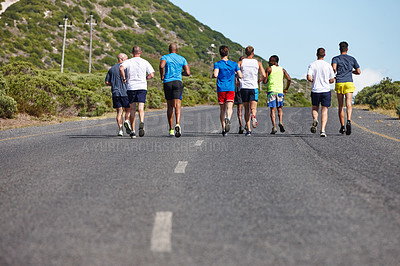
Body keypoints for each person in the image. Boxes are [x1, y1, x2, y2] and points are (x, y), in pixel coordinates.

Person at [119, 46, 155, 138]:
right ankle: (142, 122)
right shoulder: (145, 62)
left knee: (132, 109)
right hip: (142, 86)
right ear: (141, 52)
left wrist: (124, 78)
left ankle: (133, 131)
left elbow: (121, 68)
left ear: (132, 53)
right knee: (141, 107)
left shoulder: (128, 61)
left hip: (131, 87)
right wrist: (145, 78)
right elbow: (152, 75)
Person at [159, 43, 191, 137]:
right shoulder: (182, 58)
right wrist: (182, 74)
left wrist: (162, 75)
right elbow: (188, 73)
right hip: (177, 82)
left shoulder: (165, 57)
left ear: (169, 50)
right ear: (176, 50)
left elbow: (161, 66)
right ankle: (177, 123)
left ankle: (171, 129)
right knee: (178, 105)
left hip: (167, 82)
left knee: (169, 106)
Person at [331, 41, 361, 135]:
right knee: (349, 104)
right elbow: (359, 71)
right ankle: (349, 120)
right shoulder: (352, 59)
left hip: (339, 82)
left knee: (340, 106)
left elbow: (334, 69)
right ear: (347, 49)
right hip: (349, 82)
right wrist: (352, 72)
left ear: (339, 49)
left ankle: (342, 126)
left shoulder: (335, 58)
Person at [213, 45, 242, 136]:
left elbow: (215, 75)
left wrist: (213, 74)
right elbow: (240, 75)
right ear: (228, 53)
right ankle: (228, 118)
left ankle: (223, 128)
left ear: (220, 53)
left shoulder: (217, 64)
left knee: (222, 109)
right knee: (230, 107)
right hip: (230, 88)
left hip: (221, 88)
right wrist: (235, 74)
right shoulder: (234, 64)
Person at [307, 48, 335, 137]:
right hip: (326, 90)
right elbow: (332, 79)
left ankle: (315, 119)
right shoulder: (328, 65)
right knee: (324, 110)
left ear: (316, 54)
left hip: (315, 90)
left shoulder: (312, 65)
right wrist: (328, 81)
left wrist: (313, 80)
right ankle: (322, 130)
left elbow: (309, 77)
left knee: (315, 108)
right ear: (324, 55)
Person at [238, 46, 266, 136]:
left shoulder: (241, 62)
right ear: (253, 53)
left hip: (244, 87)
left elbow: (236, 72)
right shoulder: (257, 63)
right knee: (253, 108)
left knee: (246, 109)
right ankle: (253, 115)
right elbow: (264, 75)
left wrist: (238, 80)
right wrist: (259, 80)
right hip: (254, 87)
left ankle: (249, 130)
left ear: (245, 53)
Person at [264, 55, 291, 134]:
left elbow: (265, 81)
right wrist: (286, 88)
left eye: (270, 60)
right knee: (280, 108)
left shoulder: (269, 69)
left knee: (272, 109)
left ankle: (274, 126)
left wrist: (265, 78)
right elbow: (289, 79)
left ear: (273, 61)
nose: (268, 62)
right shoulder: (282, 70)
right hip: (280, 91)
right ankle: (281, 121)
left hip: (272, 91)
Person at [105, 53, 130, 136]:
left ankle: (120, 129)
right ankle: (127, 121)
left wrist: (114, 84)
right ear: (122, 59)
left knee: (119, 112)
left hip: (115, 92)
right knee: (128, 109)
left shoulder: (111, 69)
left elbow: (107, 82)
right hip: (125, 92)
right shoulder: (126, 68)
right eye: (127, 58)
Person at [235, 56, 245, 134]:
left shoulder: (237, 71)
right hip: (247, 89)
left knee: (239, 109)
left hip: (239, 90)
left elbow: (236, 82)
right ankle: (246, 126)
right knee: (248, 109)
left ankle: (241, 125)